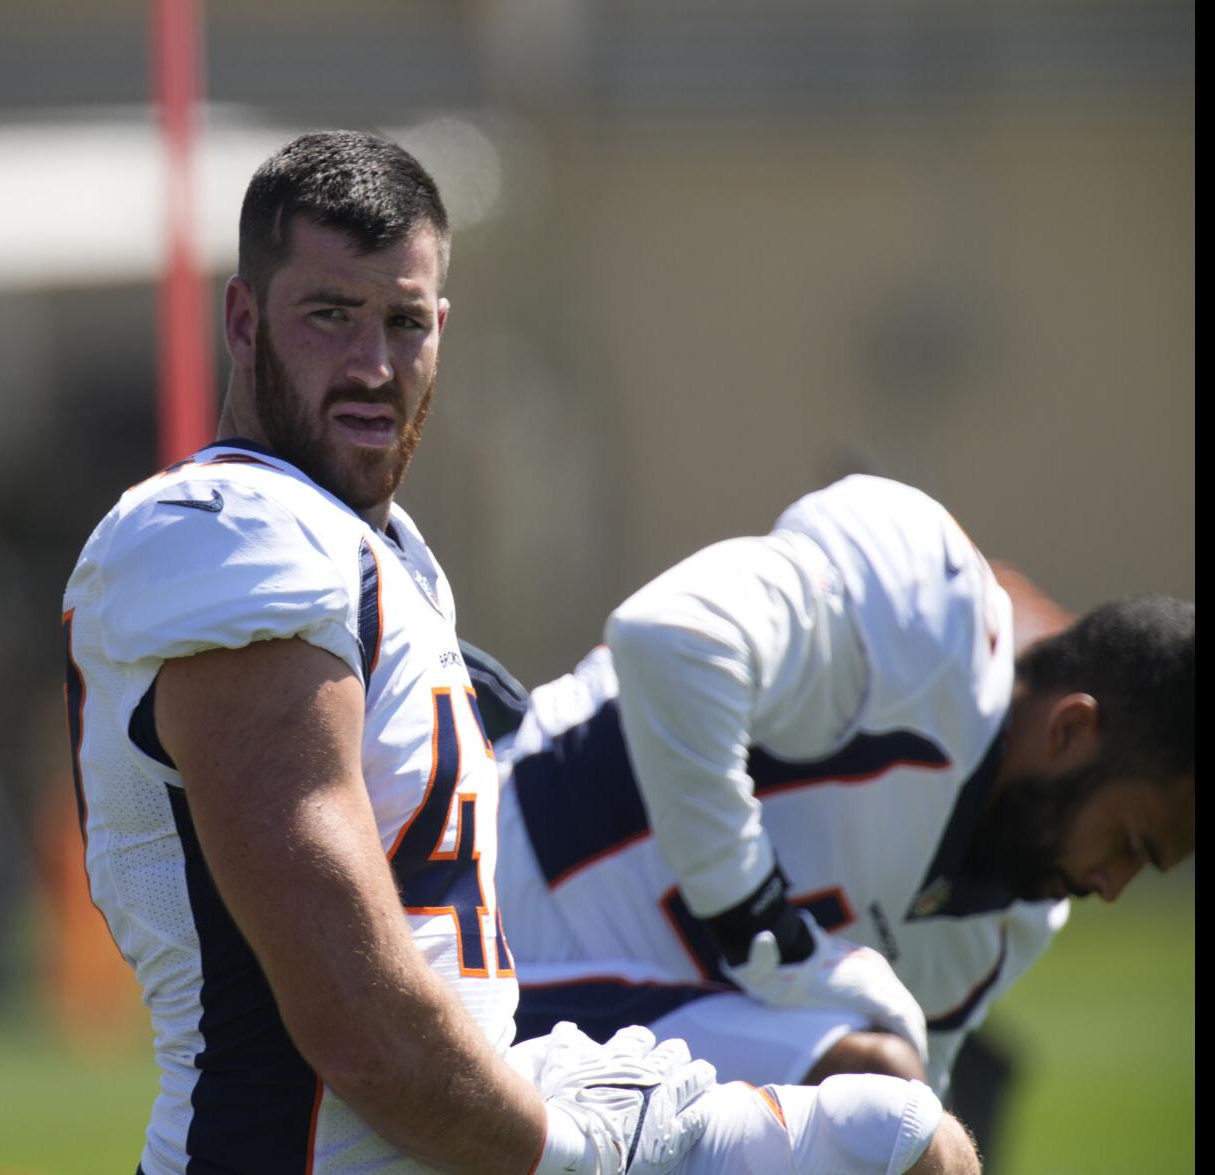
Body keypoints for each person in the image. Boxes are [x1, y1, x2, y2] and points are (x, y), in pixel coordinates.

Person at [62, 131, 980, 1175]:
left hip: (471, 1098)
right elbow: (357, 1018)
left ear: (441, 329)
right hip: (342, 1147)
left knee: (904, 1138)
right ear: (242, 319)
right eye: (328, 315)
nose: (370, 365)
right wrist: (556, 1153)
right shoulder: (229, 531)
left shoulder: (377, 548)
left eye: (402, 322)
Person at [491, 474, 1195, 1098]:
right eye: (1129, 842)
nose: (1110, 886)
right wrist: (759, 922)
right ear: (1070, 729)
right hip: (486, 917)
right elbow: (671, 638)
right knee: (883, 1089)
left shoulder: (1012, 923)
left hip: (633, 1047)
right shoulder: (925, 612)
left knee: (900, 1120)